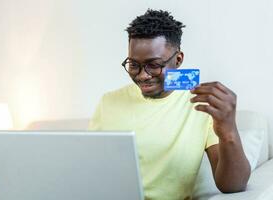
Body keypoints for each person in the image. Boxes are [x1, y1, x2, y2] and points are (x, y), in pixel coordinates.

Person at [89, 9, 250, 200]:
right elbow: (90, 171)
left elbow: (232, 185)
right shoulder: (108, 102)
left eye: (154, 65)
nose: (142, 75)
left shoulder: (201, 106)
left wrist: (228, 131)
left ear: (178, 59)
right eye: (133, 65)